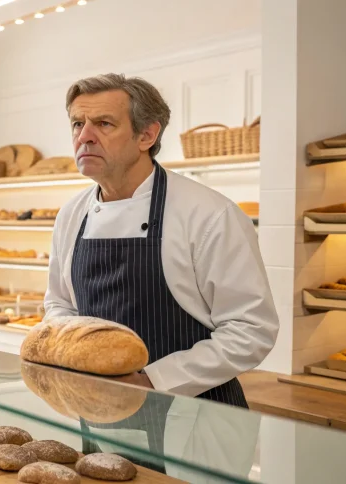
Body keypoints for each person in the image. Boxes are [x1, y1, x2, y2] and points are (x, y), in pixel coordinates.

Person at [46, 73, 279, 404]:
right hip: (100, 408)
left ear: (147, 134)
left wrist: (154, 381)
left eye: (104, 124)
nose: (84, 137)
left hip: (195, 416)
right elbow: (59, 304)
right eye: (76, 124)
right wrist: (71, 355)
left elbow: (251, 330)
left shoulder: (209, 214)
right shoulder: (71, 215)